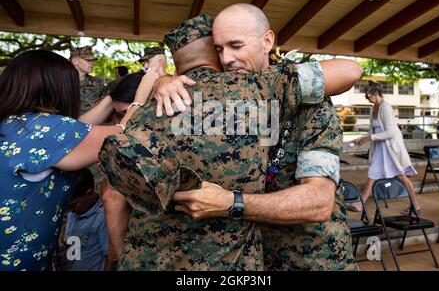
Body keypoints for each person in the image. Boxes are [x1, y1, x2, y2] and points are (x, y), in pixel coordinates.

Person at [100, 14, 360, 270]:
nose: (227, 59)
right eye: (218, 49)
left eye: (236, 46)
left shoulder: (308, 103)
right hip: (253, 259)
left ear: (267, 42)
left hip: (310, 259)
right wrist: (163, 81)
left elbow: (318, 202)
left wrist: (231, 203)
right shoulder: (196, 101)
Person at [0, 50, 158, 271]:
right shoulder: (45, 129)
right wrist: (141, 97)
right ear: (58, 88)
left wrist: (114, 95)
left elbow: (77, 126)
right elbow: (122, 137)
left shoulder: (18, 125)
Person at [351, 81, 420, 213]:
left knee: (401, 176)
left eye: (368, 96)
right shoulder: (374, 108)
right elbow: (374, 131)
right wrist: (361, 139)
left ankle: (415, 204)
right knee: (373, 173)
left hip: (390, 150)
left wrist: (369, 138)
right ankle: (360, 203)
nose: (367, 99)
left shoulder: (385, 107)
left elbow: (391, 132)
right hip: (380, 149)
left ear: (375, 93)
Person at [61, 169, 109, 271]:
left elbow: (111, 256)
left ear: (90, 193)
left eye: (73, 205)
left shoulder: (103, 218)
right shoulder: (74, 212)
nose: (69, 210)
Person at [70, 46, 108, 115]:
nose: (92, 63)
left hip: (92, 124)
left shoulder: (98, 83)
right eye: (88, 60)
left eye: (93, 60)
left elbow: (106, 107)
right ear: (75, 61)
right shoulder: (61, 82)